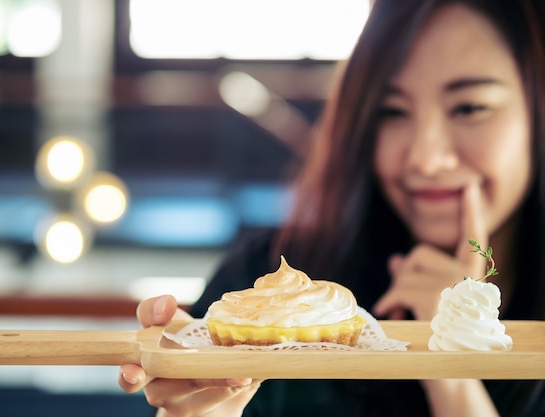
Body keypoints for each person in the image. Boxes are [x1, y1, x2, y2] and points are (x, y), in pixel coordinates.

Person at [119, 0, 545, 415]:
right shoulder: (259, 282)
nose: (424, 158)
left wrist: (449, 351)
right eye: (391, 111)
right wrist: (193, 412)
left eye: (470, 107)